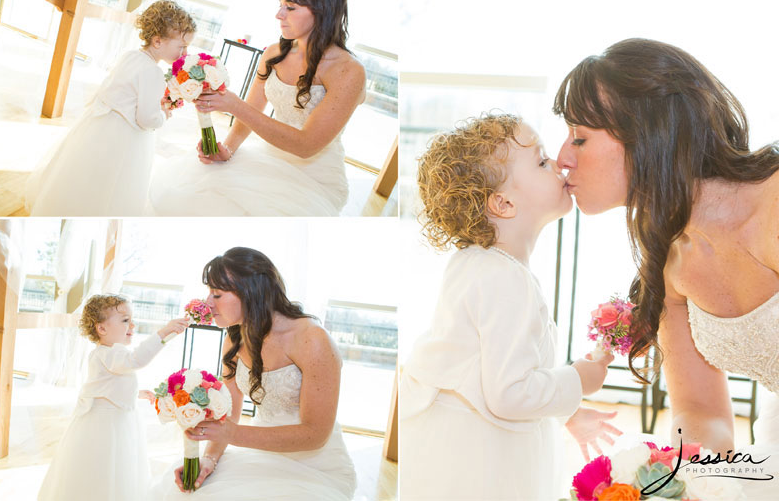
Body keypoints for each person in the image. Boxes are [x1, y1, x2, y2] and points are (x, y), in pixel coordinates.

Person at [554, 37, 779, 497]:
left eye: (580, 136)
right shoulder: (669, 267)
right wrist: (664, 482)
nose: (563, 158)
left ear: (649, 130)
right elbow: (703, 416)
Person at [400, 114, 621, 500]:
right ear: (503, 203)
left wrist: (566, 412)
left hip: (460, 449)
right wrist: (578, 380)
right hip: (483, 463)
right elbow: (509, 393)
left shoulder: (478, 263)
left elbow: (481, 369)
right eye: (540, 161)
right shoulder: (505, 279)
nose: (557, 164)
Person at [149, 0, 366, 217]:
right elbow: (250, 114)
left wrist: (233, 104)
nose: (279, 14)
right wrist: (227, 150)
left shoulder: (348, 71)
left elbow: (306, 146)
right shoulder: (274, 53)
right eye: (280, 4)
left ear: (323, 10)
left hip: (313, 176)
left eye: (290, 7)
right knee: (194, 193)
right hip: (268, 156)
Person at [153, 247, 356, 500]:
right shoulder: (234, 339)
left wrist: (233, 434)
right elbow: (229, 412)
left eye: (216, 294)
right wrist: (209, 460)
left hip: (314, 465)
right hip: (260, 450)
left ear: (250, 291)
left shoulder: (312, 339)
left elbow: (315, 435)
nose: (207, 303)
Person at [26, 0, 195, 216]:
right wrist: (163, 113)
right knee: (111, 183)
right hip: (124, 137)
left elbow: (122, 93)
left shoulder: (130, 56)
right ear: (158, 41)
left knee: (84, 173)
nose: (185, 52)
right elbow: (146, 119)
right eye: (181, 46)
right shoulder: (153, 72)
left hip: (98, 126)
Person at [38, 294, 189, 500]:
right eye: (125, 320)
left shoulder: (112, 354)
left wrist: (136, 394)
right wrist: (163, 333)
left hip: (118, 419)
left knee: (118, 465)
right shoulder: (107, 353)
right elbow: (135, 360)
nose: (133, 325)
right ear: (102, 329)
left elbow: (108, 386)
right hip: (105, 425)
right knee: (103, 466)